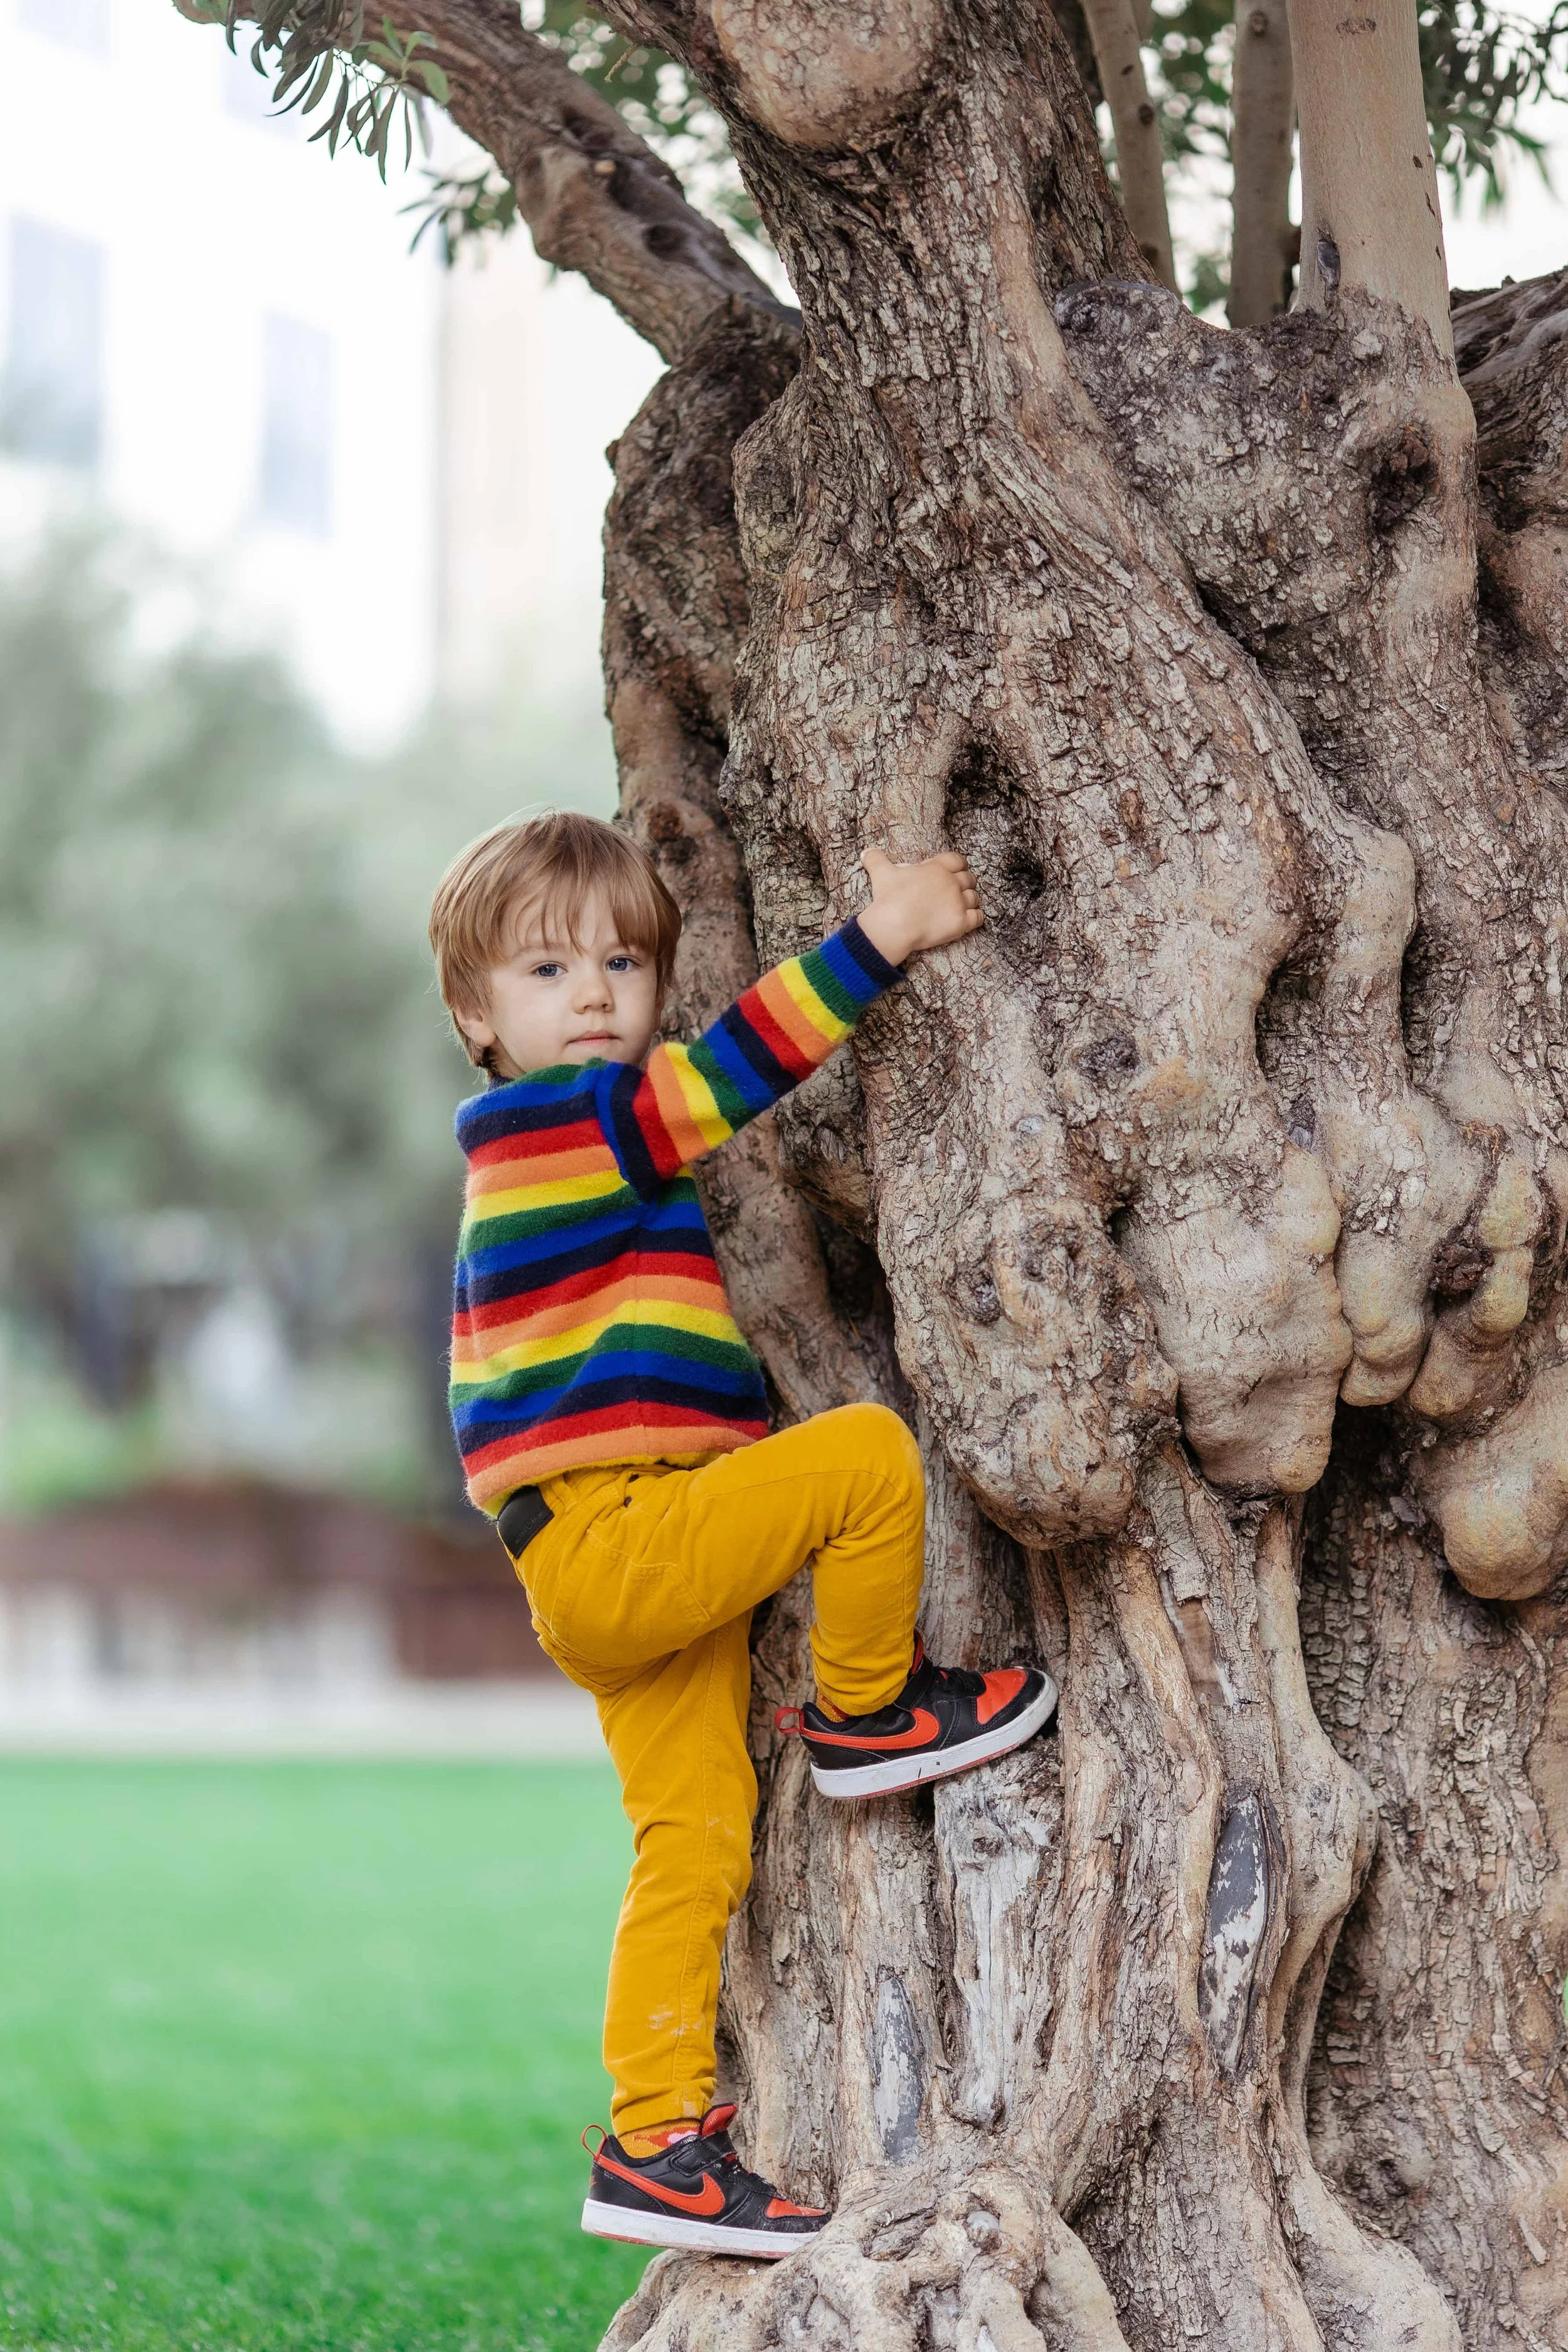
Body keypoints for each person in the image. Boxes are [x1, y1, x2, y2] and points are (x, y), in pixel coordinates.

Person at [428, 810, 1057, 2260]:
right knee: (860, 1460)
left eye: (621, 963)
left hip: (603, 1562)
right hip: (624, 1535)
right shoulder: (556, 1126)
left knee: (692, 1841)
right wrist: (878, 938)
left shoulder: (551, 1152)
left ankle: (652, 2137)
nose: (591, 995)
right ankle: (868, 1709)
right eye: (544, 971)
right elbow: (720, 1081)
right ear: (477, 1017)